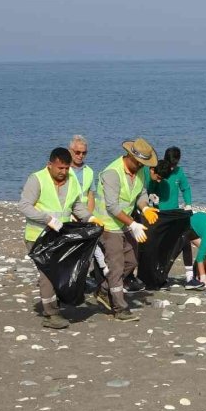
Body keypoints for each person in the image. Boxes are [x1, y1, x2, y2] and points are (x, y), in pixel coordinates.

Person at [20, 147, 102, 329]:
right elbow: (24, 206)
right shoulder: (37, 179)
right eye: (60, 168)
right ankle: (51, 314)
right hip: (38, 236)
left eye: (66, 168)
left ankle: (57, 304)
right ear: (50, 165)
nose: (63, 172)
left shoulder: (72, 181)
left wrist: (91, 218)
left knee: (60, 272)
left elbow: (76, 206)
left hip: (60, 236)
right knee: (47, 275)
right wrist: (47, 219)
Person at [92, 137, 159, 321]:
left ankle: (104, 290)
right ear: (129, 156)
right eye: (138, 163)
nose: (140, 166)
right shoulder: (112, 173)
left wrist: (145, 207)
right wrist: (133, 224)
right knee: (116, 265)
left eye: (143, 164)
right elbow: (112, 206)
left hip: (126, 224)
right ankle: (119, 307)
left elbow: (141, 193)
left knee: (132, 261)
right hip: (109, 226)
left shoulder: (140, 171)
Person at [148, 148, 198, 289]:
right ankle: (159, 276)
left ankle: (189, 278)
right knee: (162, 246)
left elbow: (186, 188)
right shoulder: (158, 170)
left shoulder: (179, 172)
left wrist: (188, 204)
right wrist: (152, 196)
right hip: (160, 213)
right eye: (170, 164)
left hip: (175, 213)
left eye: (174, 165)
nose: (172, 168)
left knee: (185, 240)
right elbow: (150, 185)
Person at [68, 135, 95, 213]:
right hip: (69, 213)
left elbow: (91, 196)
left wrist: (89, 217)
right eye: (77, 152)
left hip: (84, 214)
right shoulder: (64, 169)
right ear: (70, 151)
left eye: (84, 153)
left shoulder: (89, 171)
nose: (81, 156)